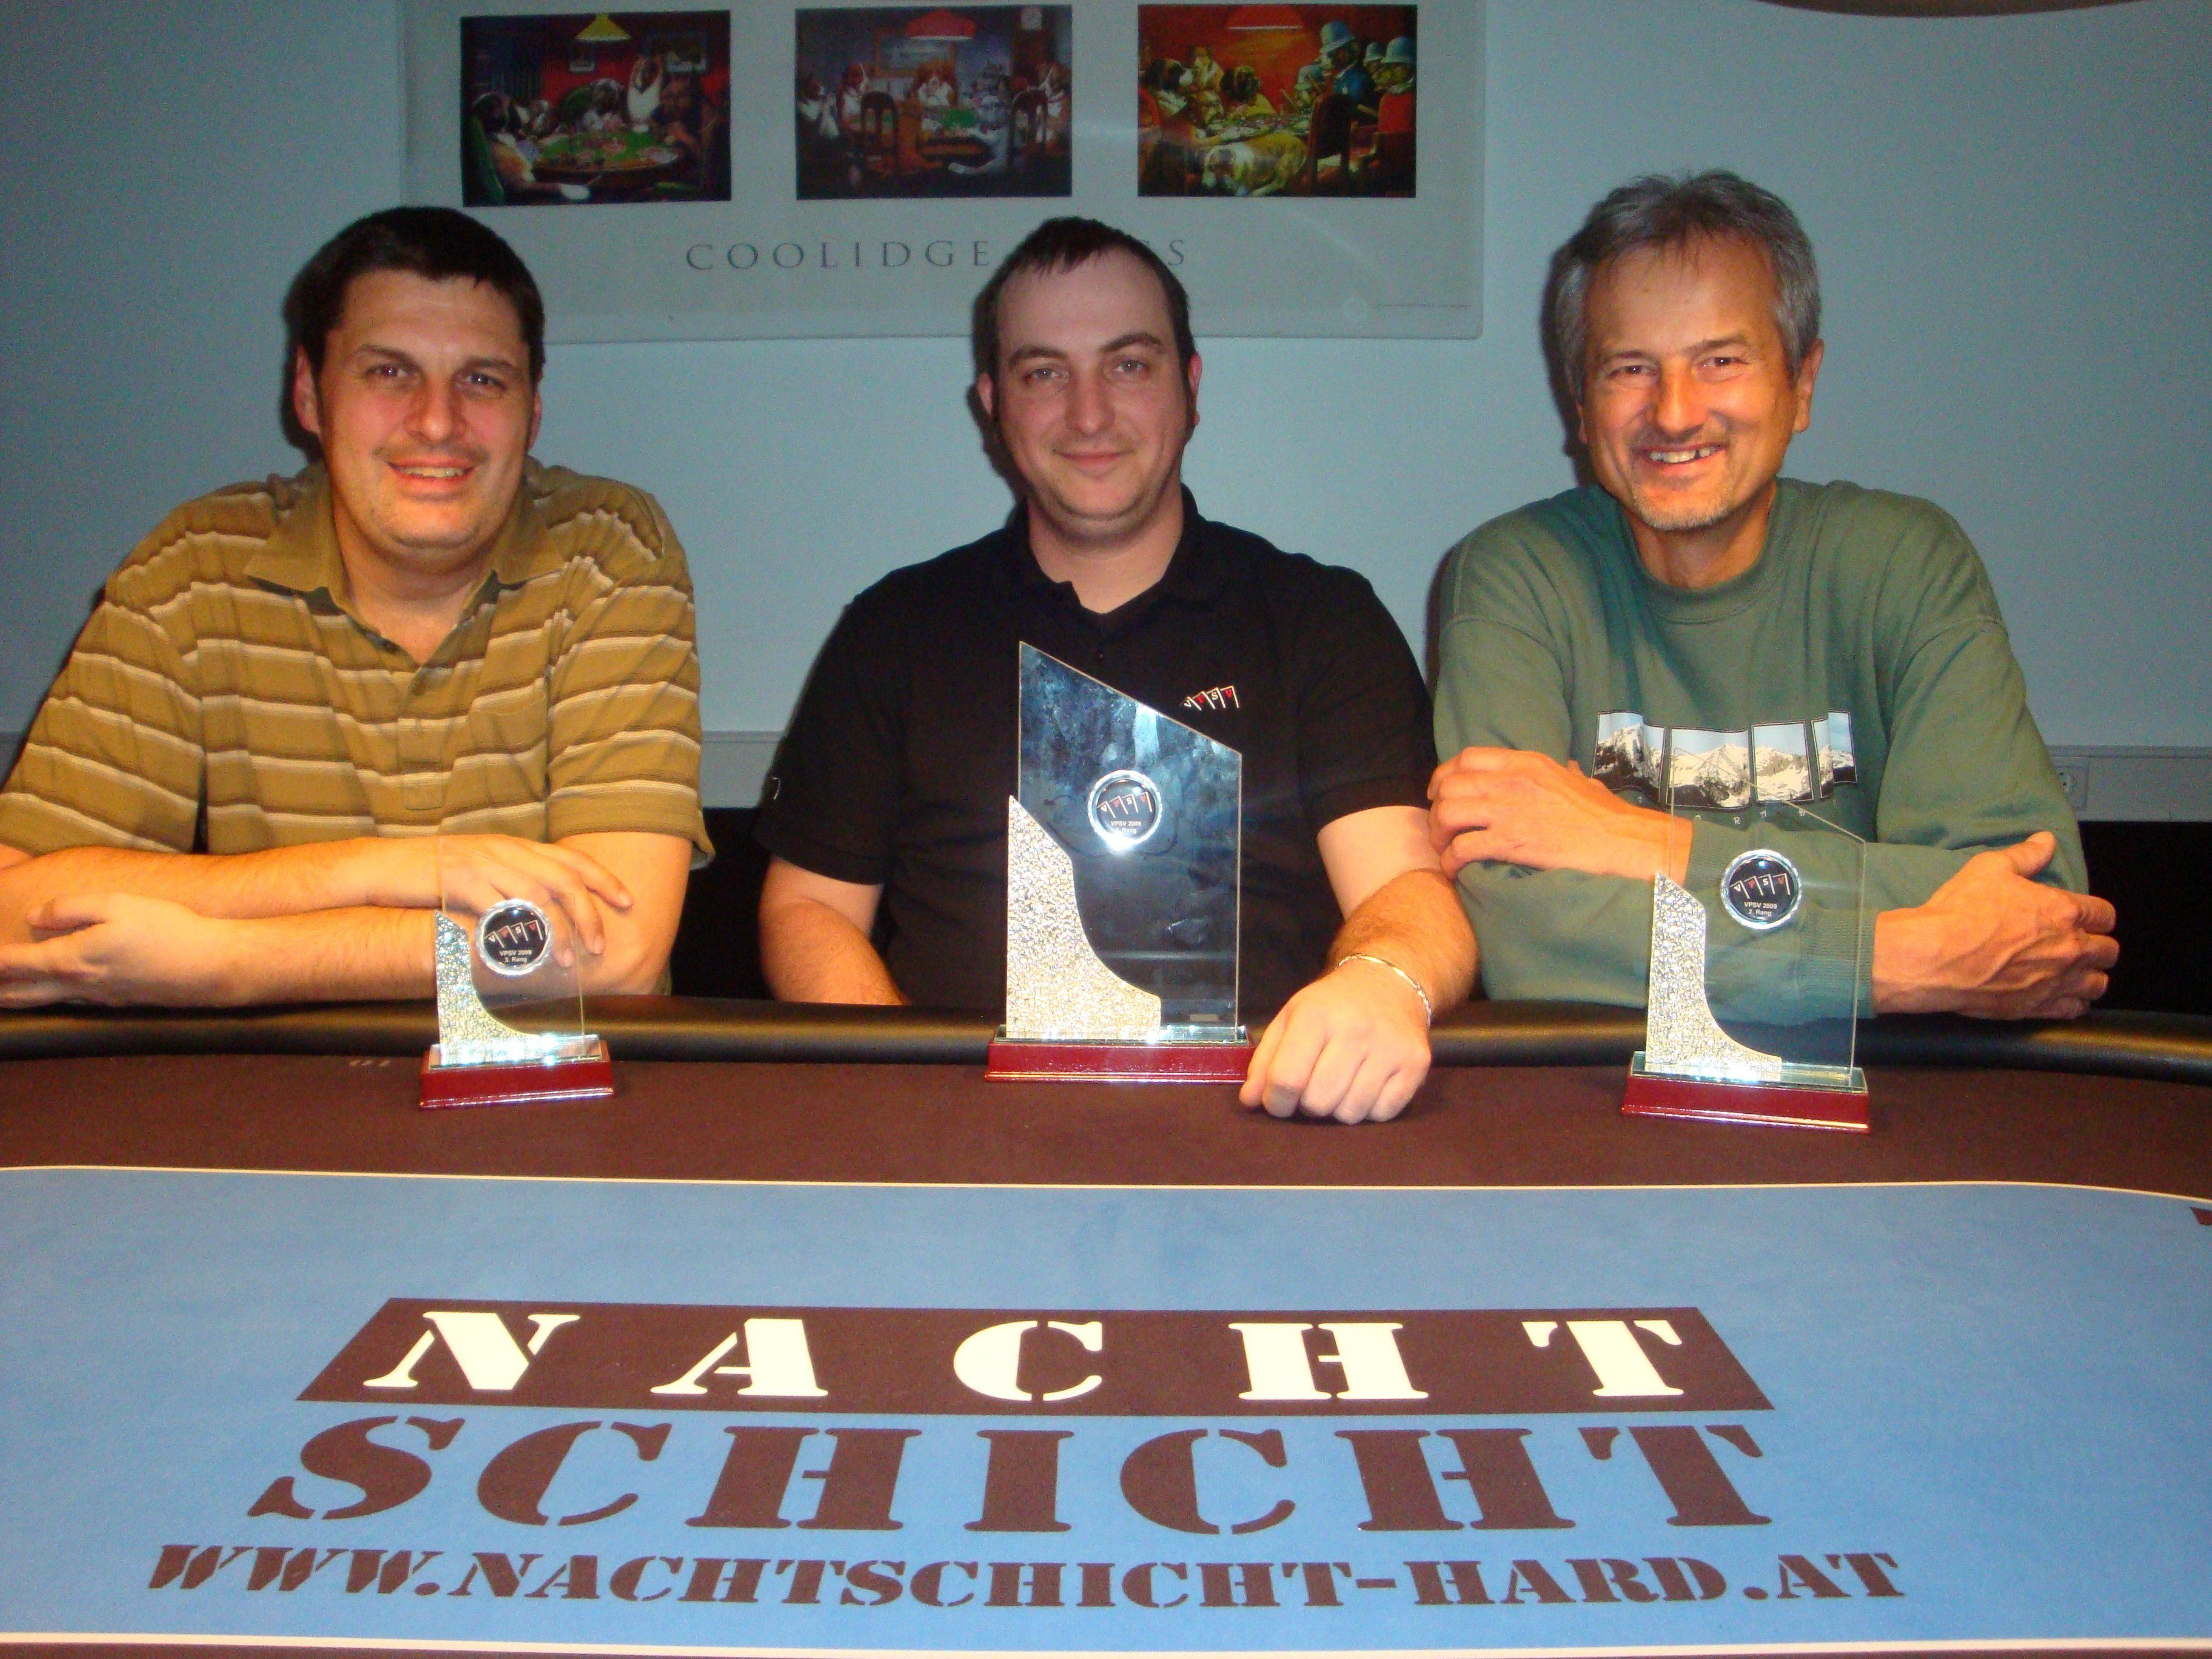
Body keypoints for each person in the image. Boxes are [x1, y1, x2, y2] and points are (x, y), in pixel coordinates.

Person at [757, 216, 1473, 1123]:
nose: (1089, 415)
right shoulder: (896, 629)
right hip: (961, 1142)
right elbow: (808, 909)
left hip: (1266, 1131)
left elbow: (1407, 891)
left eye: (1129, 365)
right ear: (993, 404)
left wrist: (1384, 979)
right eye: (1044, 373)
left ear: (1191, 387)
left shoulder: (1319, 619)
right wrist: (910, 1095)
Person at [1430, 171, 2116, 1022]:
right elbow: (1526, 938)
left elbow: (2035, 899)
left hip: (1899, 1085)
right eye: (1630, 369)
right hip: (1610, 1085)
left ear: (1802, 384)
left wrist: (1640, 843)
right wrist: (1886, 962)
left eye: (1720, 361)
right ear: (1582, 407)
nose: (1674, 413)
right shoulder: (1518, 575)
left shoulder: (1903, 563)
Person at [0, 207, 709, 1008]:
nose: (437, 422)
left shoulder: (606, 548)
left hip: (544, 1079)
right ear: (310, 396)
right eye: (388, 372)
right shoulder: (194, 569)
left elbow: (614, 954)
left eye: (482, 379)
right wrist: (388, 871)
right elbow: (12, 911)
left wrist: (235, 962)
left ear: (532, 411)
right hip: (276, 1081)